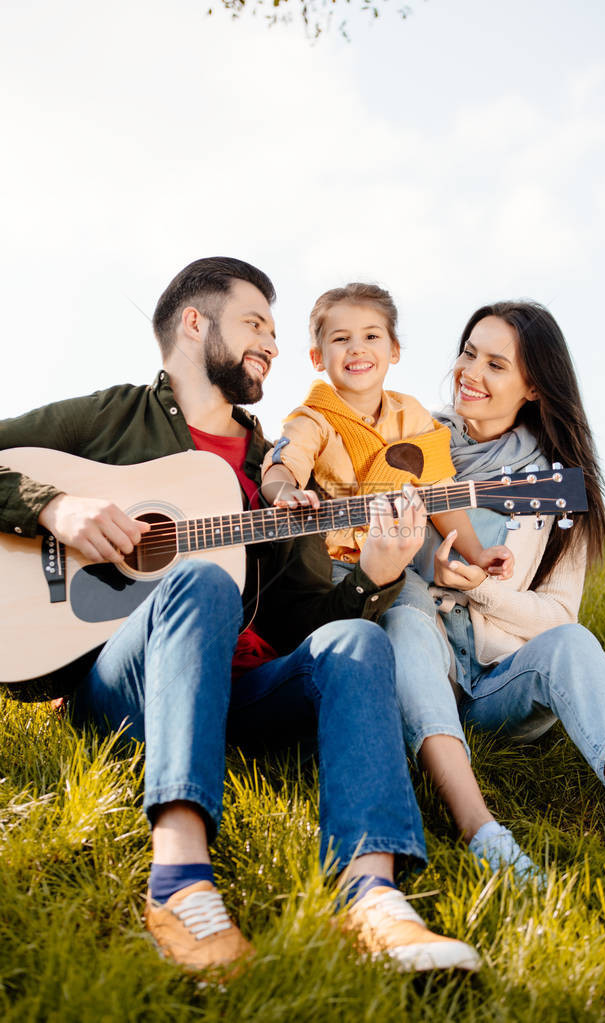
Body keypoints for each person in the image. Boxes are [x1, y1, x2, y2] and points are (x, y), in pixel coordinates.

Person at [0, 257, 483, 978]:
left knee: (354, 639)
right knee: (198, 578)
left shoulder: (275, 473)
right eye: (255, 322)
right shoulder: (115, 417)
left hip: (246, 694)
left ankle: (372, 896)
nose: (272, 343)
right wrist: (53, 505)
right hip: (123, 687)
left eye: (274, 329)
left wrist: (375, 578)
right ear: (195, 324)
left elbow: (306, 615)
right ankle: (180, 879)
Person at [381, 300, 605, 885]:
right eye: (470, 353)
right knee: (405, 608)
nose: (471, 372)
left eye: (497, 364)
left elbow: (556, 616)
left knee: (571, 641)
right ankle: (487, 837)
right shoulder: (408, 445)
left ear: (534, 387)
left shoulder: (557, 486)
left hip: (497, 685)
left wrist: (480, 592)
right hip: (419, 664)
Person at [260, 282, 513, 581]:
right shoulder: (312, 419)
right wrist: (285, 491)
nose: (357, 348)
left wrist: (478, 554)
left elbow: (440, 495)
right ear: (318, 358)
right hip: (330, 566)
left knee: (414, 620)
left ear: (393, 350)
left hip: (396, 566)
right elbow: (283, 464)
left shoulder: (412, 415)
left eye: (371, 336)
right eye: (341, 339)